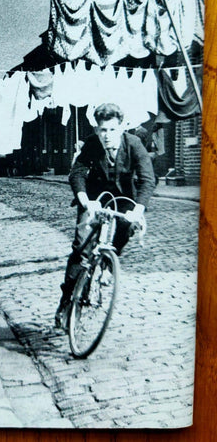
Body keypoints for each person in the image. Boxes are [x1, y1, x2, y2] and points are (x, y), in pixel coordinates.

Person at [56, 103, 155, 330]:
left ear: (121, 128)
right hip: (94, 199)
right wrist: (83, 199)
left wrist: (138, 209)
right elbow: (77, 172)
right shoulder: (92, 144)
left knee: (125, 227)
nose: (107, 136)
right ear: (97, 129)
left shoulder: (134, 145)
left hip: (124, 200)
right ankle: (67, 301)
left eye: (112, 130)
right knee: (81, 248)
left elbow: (148, 179)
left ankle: (108, 264)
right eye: (102, 130)